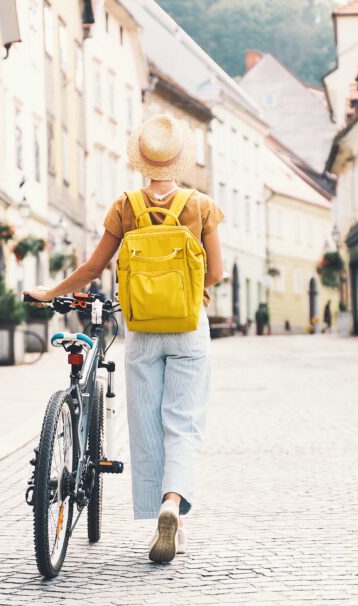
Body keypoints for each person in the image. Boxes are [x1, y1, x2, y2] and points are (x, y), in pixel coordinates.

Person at [24, 114, 224, 563]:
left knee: (146, 425)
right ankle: (173, 506)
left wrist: (49, 292)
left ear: (143, 160)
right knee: (184, 422)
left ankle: (156, 510)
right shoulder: (201, 206)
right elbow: (216, 273)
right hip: (190, 327)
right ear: (180, 160)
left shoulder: (126, 206)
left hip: (143, 330)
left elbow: (93, 269)